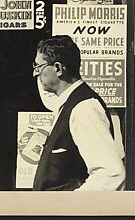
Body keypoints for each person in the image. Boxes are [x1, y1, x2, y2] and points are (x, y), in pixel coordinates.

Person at [32, 35, 125, 191]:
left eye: (38, 67)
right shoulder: (70, 104)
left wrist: (70, 206)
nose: (35, 74)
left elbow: (111, 175)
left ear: (58, 68)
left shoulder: (84, 108)